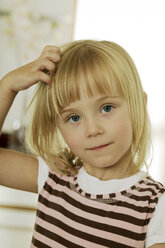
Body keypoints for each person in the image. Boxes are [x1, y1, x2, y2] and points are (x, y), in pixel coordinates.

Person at [0, 40, 165, 248]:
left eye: (106, 108)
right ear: (58, 126)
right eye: (74, 118)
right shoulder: (53, 177)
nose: (93, 130)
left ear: (139, 105)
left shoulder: (155, 207)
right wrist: (7, 86)